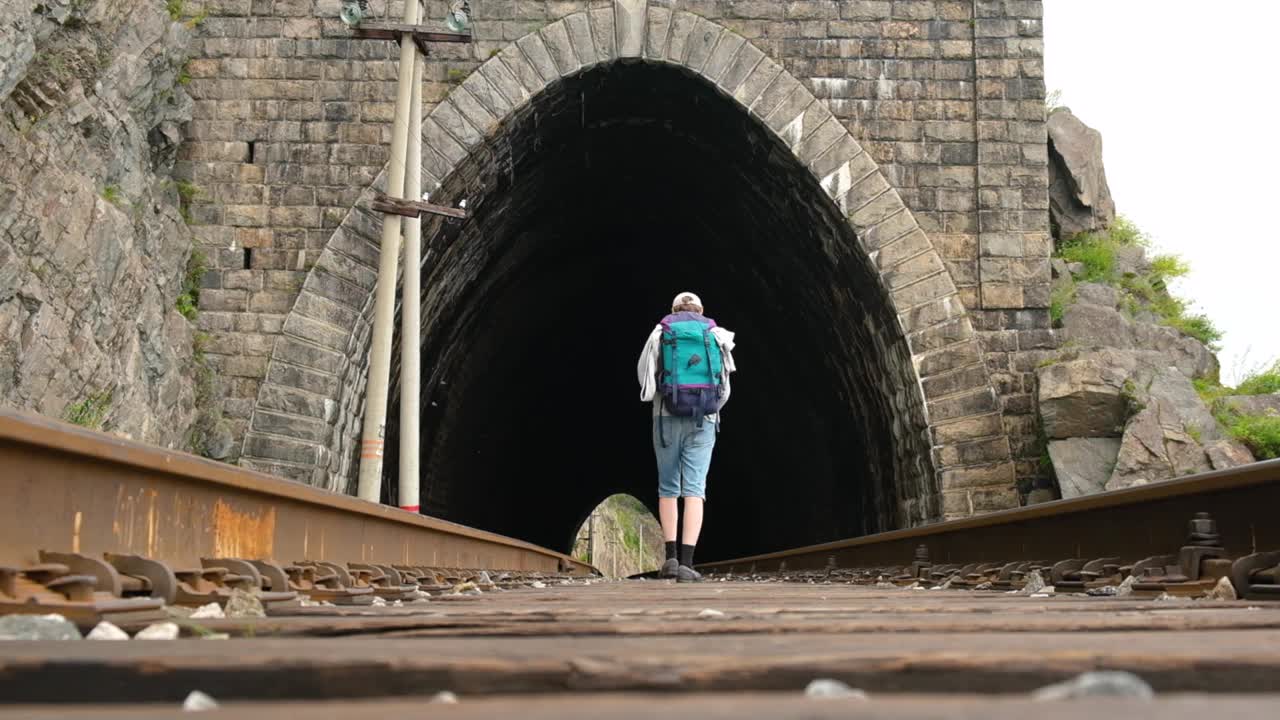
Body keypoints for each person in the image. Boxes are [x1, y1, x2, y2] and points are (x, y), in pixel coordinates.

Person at [637, 292, 736, 583]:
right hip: (703, 418)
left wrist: (660, 399)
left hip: (665, 417)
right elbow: (726, 382)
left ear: (674, 310)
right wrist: (711, 409)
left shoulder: (661, 331)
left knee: (668, 487)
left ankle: (669, 559)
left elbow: (645, 376)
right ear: (701, 311)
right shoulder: (717, 335)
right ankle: (687, 563)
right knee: (695, 489)